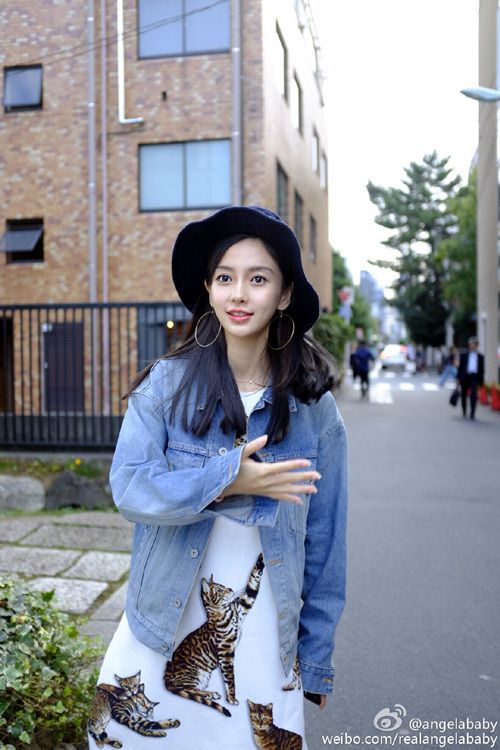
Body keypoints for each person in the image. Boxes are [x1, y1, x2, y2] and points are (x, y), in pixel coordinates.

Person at [87, 206, 348, 749]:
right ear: (208, 289)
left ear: (284, 295)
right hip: (164, 618)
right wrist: (231, 479)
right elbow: (131, 489)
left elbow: (326, 542)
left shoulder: (314, 410)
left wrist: (316, 653)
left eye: (258, 279)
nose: (239, 294)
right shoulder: (167, 385)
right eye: (225, 278)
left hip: (262, 626)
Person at [457, 337, 485, 420]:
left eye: (474, 344)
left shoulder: (480, 356)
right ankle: (464, 411)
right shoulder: (464, 355)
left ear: (477, 345)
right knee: (463, 394)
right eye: (471, 344)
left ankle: (472, 413)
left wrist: (481, 382)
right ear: (469, 345)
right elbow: (460, 368)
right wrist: (458, 378)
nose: (473, 346)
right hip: (465, 376)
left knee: (473, 395)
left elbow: (481, 370)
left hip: (474, 377)